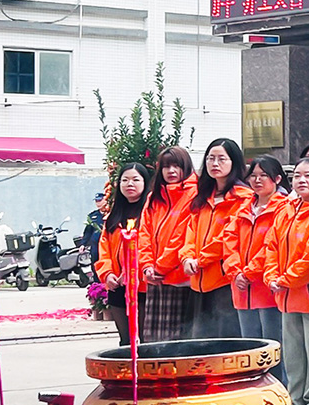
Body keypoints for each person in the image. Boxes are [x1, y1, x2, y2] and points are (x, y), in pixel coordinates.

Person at [263, 158, 309, 405]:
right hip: (286, 295)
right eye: (297, 176)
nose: (301, 181)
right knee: (293, 355)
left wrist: (286, 279)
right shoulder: (286, 210)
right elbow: (271, 246)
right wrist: (272, 276)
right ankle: (296, 401)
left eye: (308, 176)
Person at [181, 139, 252, 340]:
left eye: (222, 159)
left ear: (234, 162)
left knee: (223, 342)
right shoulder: (202, 197)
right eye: (210, 158)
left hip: (223, 282)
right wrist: (186, 257)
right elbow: (190, 232)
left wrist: (200, 260)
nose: (215, 164)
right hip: (197, 281)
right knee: (198, 342)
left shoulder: (244, 198)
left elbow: (228, 237)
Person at [227, 156, 288, 382]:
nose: (257, 180)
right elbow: (229, 241)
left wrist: (249, 272)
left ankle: (277, 391)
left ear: (277, 178)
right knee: (249, 348)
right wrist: (236, 272)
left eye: (264, 175)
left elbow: (272, 245)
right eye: (253, 175)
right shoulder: (243, 208)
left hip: (267, 288)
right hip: (242, 290)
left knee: (272, 347)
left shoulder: (283, 207)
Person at [141, 147, 197, 342]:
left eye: (176, 166)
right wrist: (147, 266)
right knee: (153, 340)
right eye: (166, 167)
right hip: (155, 278)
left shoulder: (194, 194)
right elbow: (144, 234)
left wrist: (161, 267)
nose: (171, 171)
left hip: (179, 278)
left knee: (177, 340)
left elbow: (181, 236)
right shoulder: (154, 197)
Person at [93, 165, 148, 345]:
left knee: (145, 340)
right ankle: (127, 372)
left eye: (135, 179)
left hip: (143, 286)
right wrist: (107, 274)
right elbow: (104, 250)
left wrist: (133, 272)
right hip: (117, 285)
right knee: (125, 341)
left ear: (145, 182)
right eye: (125, 180)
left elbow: (150, 247)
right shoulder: (112, 217)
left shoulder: (151, 214)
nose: (129, 184)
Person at [83, 192, 106, 266]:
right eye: (96, 201)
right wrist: (83, 244)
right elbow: (88, 232)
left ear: (105, 200)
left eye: (100, 201)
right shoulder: (92, 216)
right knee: (95, 264)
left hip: (107, 245)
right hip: (95, 245)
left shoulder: (111, 213)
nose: (98, 203)